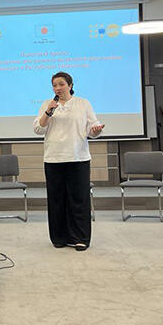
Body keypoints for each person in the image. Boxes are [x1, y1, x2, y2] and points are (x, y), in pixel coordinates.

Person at [33, 71, 105, 251]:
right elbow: (38, 129)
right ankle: (59, 237)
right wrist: (49, 111)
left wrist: (95, 130)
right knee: (56, 199)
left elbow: (91, 128)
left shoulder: (82, 103)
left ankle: (80, 237)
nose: (57, 88)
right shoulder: (47, 105)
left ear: (70, 85)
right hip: (54, 157)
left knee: (78, 199)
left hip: (78, 157)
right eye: (54, 85)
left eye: (61, 84)